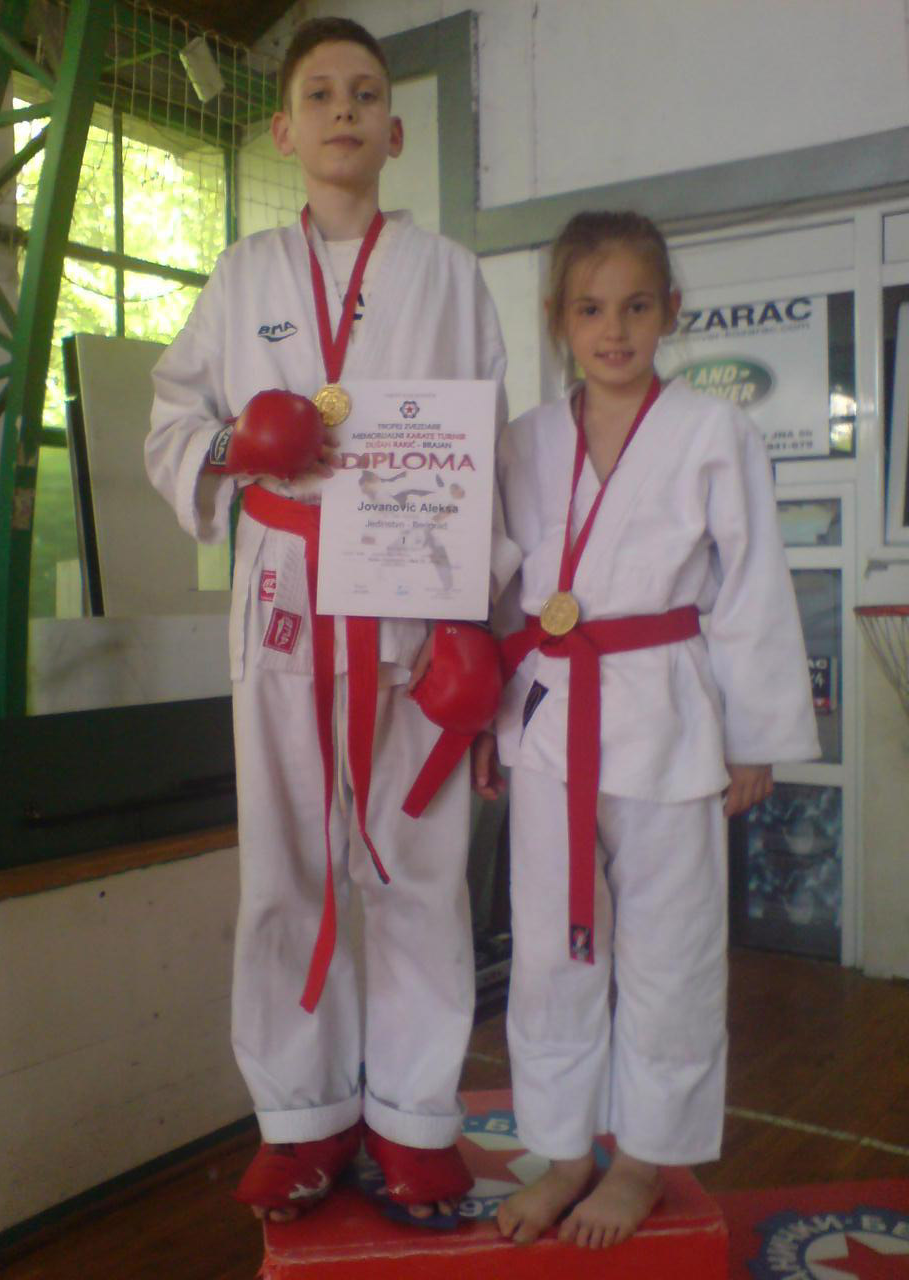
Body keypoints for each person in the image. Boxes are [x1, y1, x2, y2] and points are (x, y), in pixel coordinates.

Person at [146, 17, 517, 1228]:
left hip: (413, 593)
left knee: (417, 860)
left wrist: (486, 616)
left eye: (365, 92)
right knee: (286, 861)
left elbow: (488, 451)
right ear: (283, 128)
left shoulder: (450, 274)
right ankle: (301, 1115)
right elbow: (168, 426)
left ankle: (412, 1116)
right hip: (286, 598)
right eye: (320, 93)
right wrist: (235, 443)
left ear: (396, 130)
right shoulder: (242, 274)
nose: (344, 110)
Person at [471, 210, 819, 1249]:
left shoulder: (715, 433)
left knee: (671, 950)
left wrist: (752, 736)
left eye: (634, 306)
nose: (612, 329)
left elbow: (751, 586)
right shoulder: (526, 440)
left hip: (667, 715)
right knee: (550, 950)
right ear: (558, 319)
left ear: (671, 310)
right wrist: (488, 717)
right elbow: (501, 591)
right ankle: (565, 1149)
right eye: (590, 309)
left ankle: (645, 1160)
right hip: (550, 714)